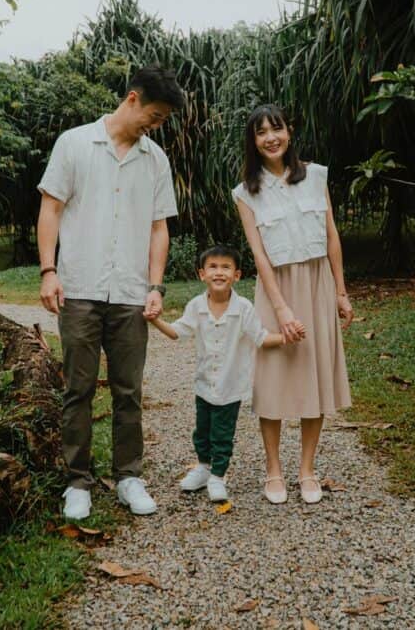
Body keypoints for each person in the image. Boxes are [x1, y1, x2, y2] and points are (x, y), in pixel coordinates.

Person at [36, 65, 184, 520]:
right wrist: (48, 270)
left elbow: (159, 229)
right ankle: (77, 481)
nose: (155, 126)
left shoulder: (155, 159)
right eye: (155, 115)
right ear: (133, 98)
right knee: (78, 389)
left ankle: (128, 477)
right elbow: (51, 208)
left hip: (130, 293)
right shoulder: (75, 143)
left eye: (162, 121)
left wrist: (156, 284)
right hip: (79, 284)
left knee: (129, 390)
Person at [232, 103, 353, 505]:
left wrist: (340, 291)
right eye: (261, 132)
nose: (271, 137)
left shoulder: (316, 176)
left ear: (289, 131)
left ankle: (307, 470)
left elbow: (331, 235)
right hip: (275, 288)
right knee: (273, 377)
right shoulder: (245, 192)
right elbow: (259, 255)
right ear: (253, 141)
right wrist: (281, 309)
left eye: (277, 129)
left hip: (317, 283)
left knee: (313, 373)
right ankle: (273, 470)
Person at [146, 245, 303, 503]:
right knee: (202, 431)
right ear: (202, 274)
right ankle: (204, 468)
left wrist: (287, 337)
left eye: (226, 267)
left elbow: (261, 338)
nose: (219, 273)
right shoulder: (196, 306)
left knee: (222, 434)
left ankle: (218, 476)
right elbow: (178, 332)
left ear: (237, 275)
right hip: (204, 385)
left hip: (231, 387)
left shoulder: (243, 308)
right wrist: (155, 321)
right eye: (213, 267)